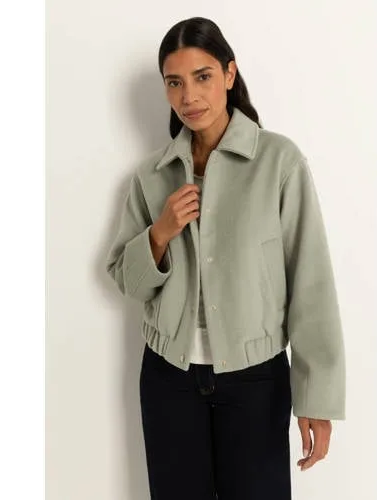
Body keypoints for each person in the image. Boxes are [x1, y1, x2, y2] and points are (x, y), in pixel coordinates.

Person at [106, 16, 346, 500]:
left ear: (229, 74)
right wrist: (160, 233)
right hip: (168, 380)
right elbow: (129, 283)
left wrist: (316, 397)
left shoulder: (279, 162)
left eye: (203, 77)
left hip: (255, 381)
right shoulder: (152, 176)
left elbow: (311, 280)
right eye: (175, 82)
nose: (189, 96)